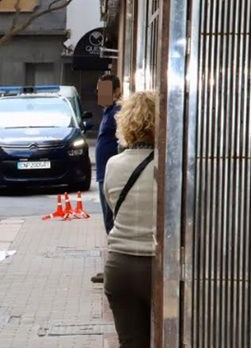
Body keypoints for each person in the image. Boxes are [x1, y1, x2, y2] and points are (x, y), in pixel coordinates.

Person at [102, 91, 157, 348]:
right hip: (159, 267)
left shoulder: (113, 164)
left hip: (120, 266)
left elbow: (114, 208)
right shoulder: (170, 167)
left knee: (131, 343)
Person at [92, 74, 122, 284]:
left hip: (111, 175)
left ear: (117, 90)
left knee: (112, 223)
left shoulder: (118, 112)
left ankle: (114, 270)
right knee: (108, 223)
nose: (99, 93)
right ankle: (112, 268)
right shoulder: (108, 111)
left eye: (103, 89)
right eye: (98, 89)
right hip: (104, 174)